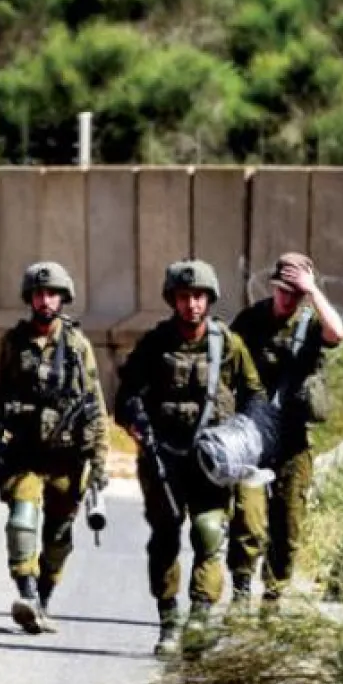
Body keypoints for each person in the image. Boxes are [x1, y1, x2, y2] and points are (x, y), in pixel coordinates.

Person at [114, 259, 265, 656]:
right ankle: (168, 622)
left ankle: (199, 616)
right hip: (164, 460)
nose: (192, 305)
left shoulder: (228, 345)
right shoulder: (155, 344)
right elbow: (126, 397)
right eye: (184, 297)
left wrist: (244, 440)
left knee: (209, 533)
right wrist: (137, 425)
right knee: (165, 539)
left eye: (198, 297)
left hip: (212, 461)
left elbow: (253, 397)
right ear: (172, 301)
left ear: (209, 299)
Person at [0, 262, 109, 634]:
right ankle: (27, 593)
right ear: (29, 298)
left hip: (67, 458)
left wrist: (99, 462)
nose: (45, 300)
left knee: (59, 537)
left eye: (52, 294)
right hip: (23, 455)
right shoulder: (12, 344)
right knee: (21, 521)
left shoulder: (78, 346)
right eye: (38, 294)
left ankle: (43, 597)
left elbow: (95, 405)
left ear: (63, 299)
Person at [225, 251, 343, 612]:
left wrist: (313, 291)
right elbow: (226, 362)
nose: (287, 299)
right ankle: (242, 590)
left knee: (288, 524)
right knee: (248, 518)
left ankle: (273, 598)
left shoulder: (311, 323)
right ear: (274, 287)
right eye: (283, 291)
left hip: (293, 438)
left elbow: (337, 332)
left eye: (295, 293)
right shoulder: (251, 320)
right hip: (254, 434)